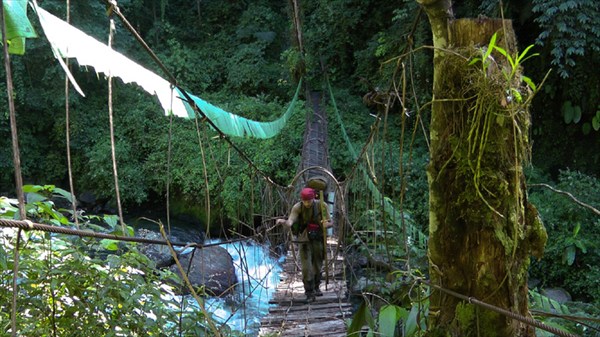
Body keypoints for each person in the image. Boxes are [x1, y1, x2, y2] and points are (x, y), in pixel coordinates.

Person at [276, 187, 332, 302]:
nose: (307, 203)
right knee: (306, 268)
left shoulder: (322, 206)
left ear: (313, 198)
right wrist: (284, 222)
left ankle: (316, 286)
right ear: (301, 200)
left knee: (317, 265)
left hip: (318, 239)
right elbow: (290, 222)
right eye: (305, 201)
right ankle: (309, 292)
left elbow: (330, 221)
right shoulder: (297, 207)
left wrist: (327, 225)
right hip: (304, 240)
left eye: (309, 201)